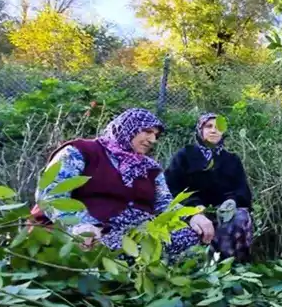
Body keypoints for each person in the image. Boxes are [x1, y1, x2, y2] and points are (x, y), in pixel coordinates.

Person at [32, 108, 214, 261]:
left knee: (190, 236)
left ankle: (147, 267)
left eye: (156, 135)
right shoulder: (80, 151)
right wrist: (79, 225)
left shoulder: (150, 168)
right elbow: (51, 194)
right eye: (147, 131)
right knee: (115, 250)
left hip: (136, 232)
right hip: (90, 230)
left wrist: (191, 216)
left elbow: (164, 204)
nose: (153, 140)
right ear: (129, 127)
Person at [165, 112, 254, 262]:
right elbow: (171, 187)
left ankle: (233, 266)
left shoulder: (232, 159)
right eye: (208, 126)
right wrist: (193, 207)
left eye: (218, 127)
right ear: (200, 130)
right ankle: (199, 269)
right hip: (190, 211)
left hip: (224, 211)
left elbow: (242, 189)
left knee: (240, 218)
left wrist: (232, 202)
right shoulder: (184, 155)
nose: (214, 130)